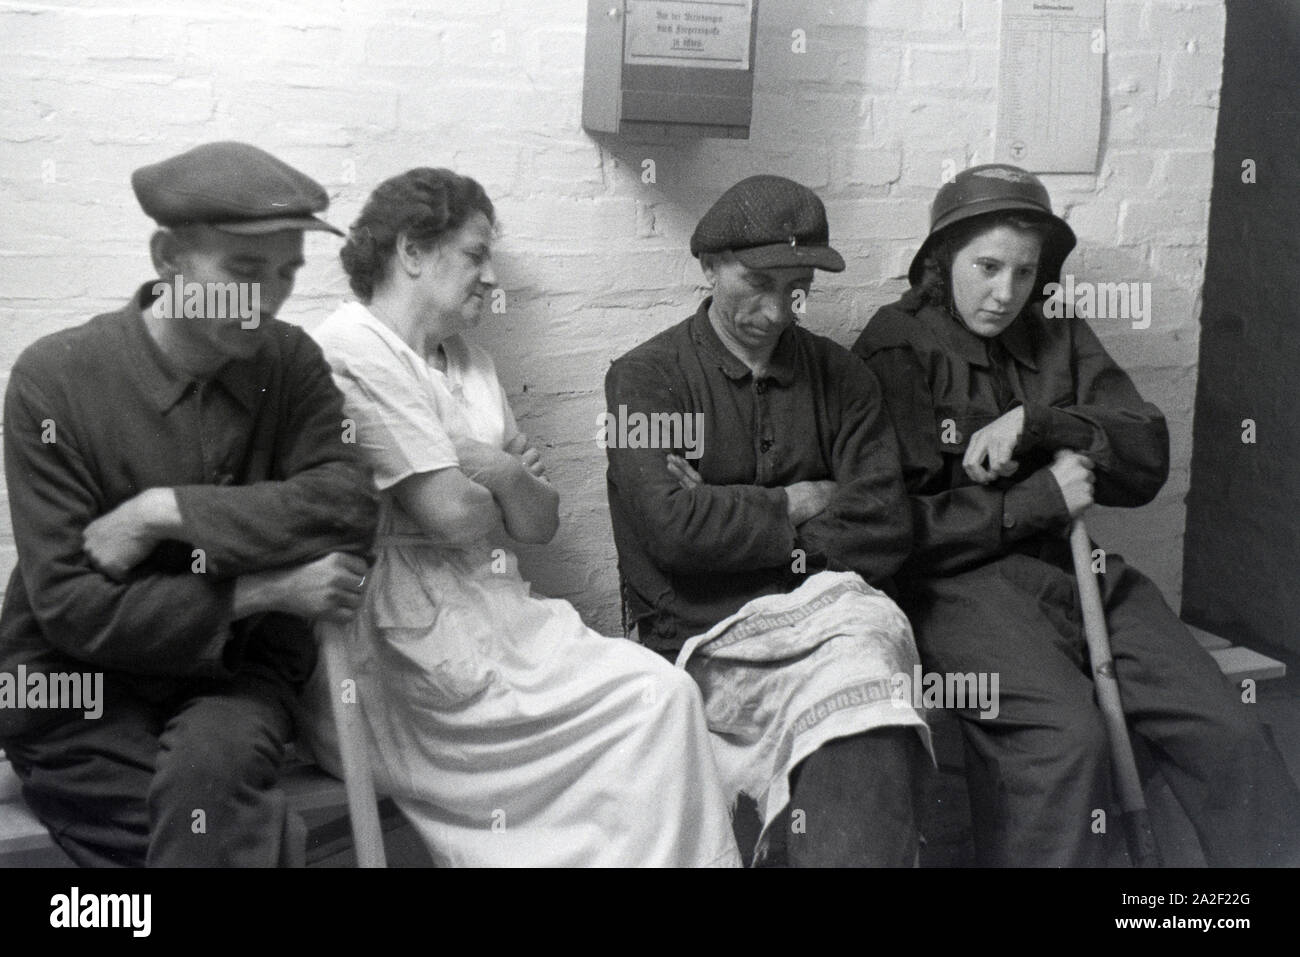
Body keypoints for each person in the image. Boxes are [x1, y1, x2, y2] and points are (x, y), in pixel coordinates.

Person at [852, 162, 1300, 867]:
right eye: (988, 266)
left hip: (1079, 570)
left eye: (1024, 273)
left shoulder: (1054, 330)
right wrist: (1040, 498)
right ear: (942, 259)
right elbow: (891, 533)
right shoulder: (894, 344)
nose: (1005, 293)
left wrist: (1037, 421)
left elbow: (1145, 453)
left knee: (1228, 731)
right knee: (1066, 741)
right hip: (960, 589)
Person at [298, 167, 740, 868]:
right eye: (475, 254)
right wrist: (494, 476)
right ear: (412, 251)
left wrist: (493, 469)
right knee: (648, 710)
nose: (489, 274)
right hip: (404, 648)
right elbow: (451, 515)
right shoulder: (352, 349)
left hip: (499, 612)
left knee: (662, 695)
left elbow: (538, 522)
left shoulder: (469, 363)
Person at [0, 142, 380, 866]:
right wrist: (267, 587)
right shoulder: (55, 378)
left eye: (287, 272)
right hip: (77, 689)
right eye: (244, 270)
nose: (270, 297)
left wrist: (164, 509)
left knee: (217, 788)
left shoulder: (290, 361)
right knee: (253, 843)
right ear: (168, 256)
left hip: (231, 680)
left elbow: (349, 509)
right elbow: (75, 608)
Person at [604, 174, 931, 867]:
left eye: (798, 286)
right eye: (756, 281)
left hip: (833, 620)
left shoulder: (842, 376)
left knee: (867, 727)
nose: (778, 309)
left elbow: (884, 526)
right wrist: (797, 499)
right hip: (702, 631)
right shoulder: (643, 379)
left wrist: (725, 515)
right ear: (710, 266)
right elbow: (671, 532)